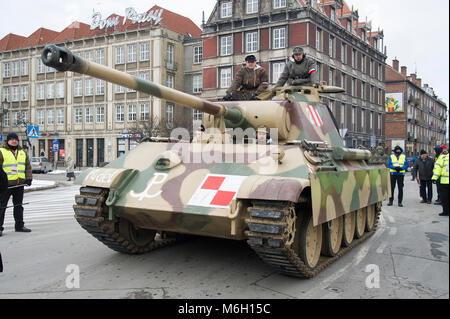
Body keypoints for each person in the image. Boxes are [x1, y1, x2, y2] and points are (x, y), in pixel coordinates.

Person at [0, 133, 33, 237]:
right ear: (8, 141)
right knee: (2, 207)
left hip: (19, 184)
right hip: (5, 185)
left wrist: (28, 178)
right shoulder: (2, 151)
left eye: (16, 139)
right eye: (12, 139)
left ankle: (19, 225)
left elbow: (27, 167)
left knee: (18, 206)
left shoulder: (22, 152)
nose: (14, 141)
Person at [432, 145, 449, 216]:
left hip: (444, 182)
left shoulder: (442, 157)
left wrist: (434, 178)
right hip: (444, 182)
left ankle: (445, 211)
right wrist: (434, 178)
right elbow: (437, 168)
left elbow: (437, 168)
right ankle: (445, 211)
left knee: (444, 198)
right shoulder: (442, 157)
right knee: (444, 198)